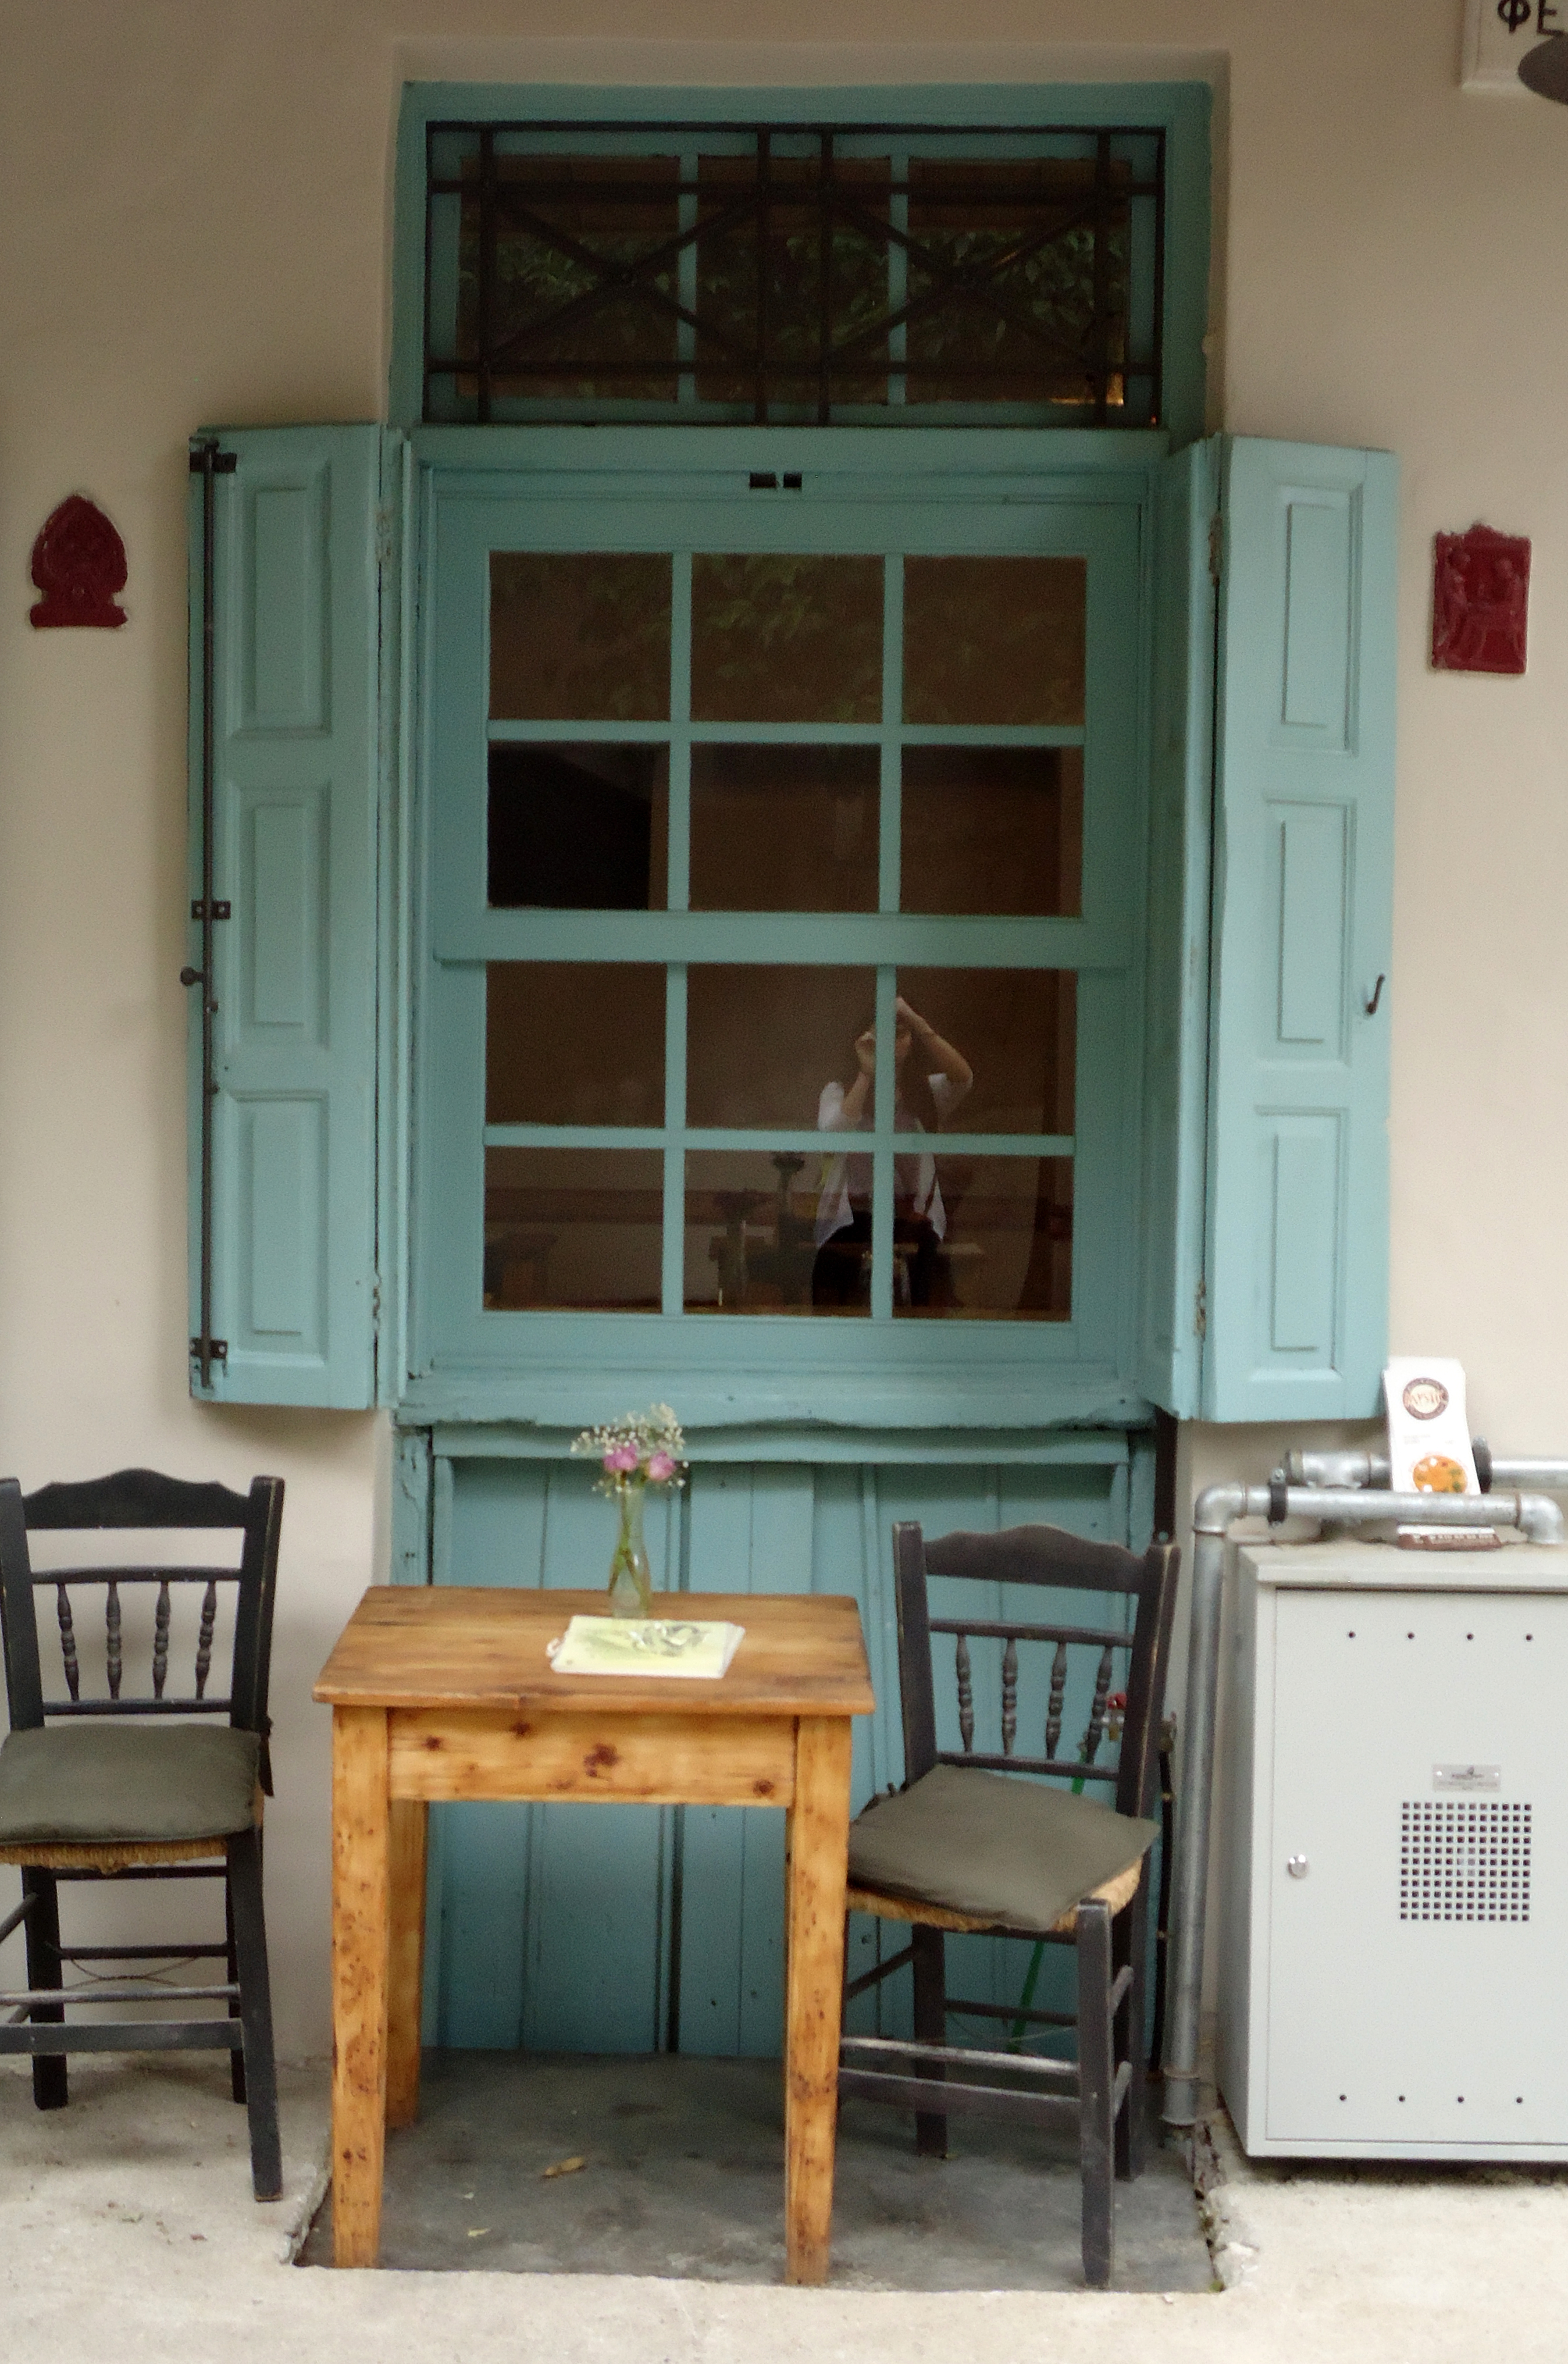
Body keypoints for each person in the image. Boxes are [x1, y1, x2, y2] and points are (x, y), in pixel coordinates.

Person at [812, 996, 972, 1307]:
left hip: (915, 1221)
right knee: (837, 1305)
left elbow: (963, 1078)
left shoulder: (925, 1091)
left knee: (921, 1304)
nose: (893, 1042)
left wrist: (918, 1022)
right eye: (882, 1034)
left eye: (900, 1034)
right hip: (853, 1220)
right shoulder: (839, 1090)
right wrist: (866, 1072)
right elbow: (833, 1133)